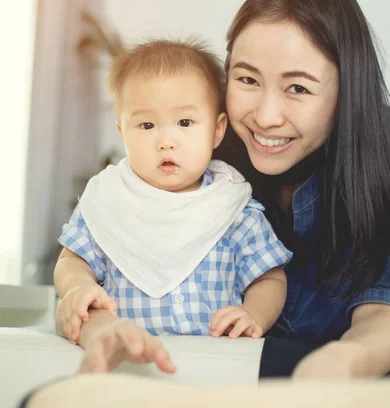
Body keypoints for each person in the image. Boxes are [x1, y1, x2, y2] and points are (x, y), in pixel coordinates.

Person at [54, 39, 291, 373]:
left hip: (216, 367)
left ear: (217, 131)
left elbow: (269, 278)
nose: (166, 141)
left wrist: (254, 314)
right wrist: (78, 286)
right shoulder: (108, 200)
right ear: (123, 132)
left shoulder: (234, 209)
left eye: (185, 123)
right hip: (130, 365)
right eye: (147, 125)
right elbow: (72, 260)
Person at [214, 0, 390, 378]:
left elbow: (386, 317)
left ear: (347, 90)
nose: (265, 116)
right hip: (223, 374)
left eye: (297, 88)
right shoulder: (207, 147)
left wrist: (331, 370)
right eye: (247, 79)